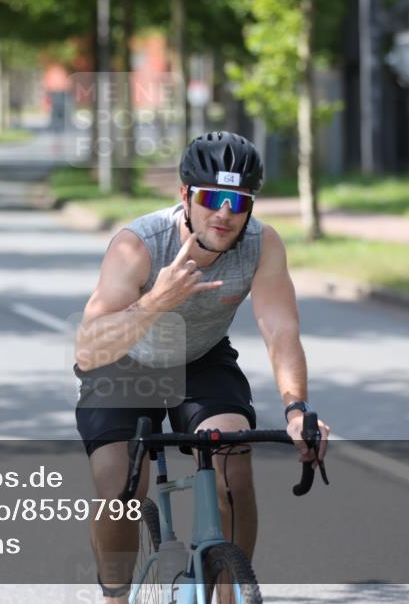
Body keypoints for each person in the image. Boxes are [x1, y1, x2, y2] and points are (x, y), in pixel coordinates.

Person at [73, 131, 330, 602]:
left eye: (238, 200)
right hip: (122, 361)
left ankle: (229, 594)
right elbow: (89, 348)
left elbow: (280, 331)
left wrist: (297, 409)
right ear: (185, 196)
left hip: (200, 358)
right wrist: (155, 302)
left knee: (232, 457)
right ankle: (113, 597)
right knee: (119, 487)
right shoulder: (139, 245)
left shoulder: (263, 244)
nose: (225, 213)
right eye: (212, 198)